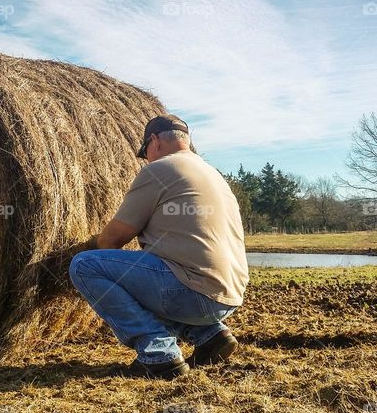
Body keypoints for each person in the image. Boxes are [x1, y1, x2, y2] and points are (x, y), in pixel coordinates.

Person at [68, 114, 248, 379]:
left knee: (84, 265)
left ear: (154, 141)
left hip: (193, 294)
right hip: (229, 296)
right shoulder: (212, 173)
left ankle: (158, 353)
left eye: (145, 152)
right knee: (150, 266)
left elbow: (111, 241)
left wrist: (77, 247)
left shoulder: (161, 169)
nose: (146, 158)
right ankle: (210, 335)